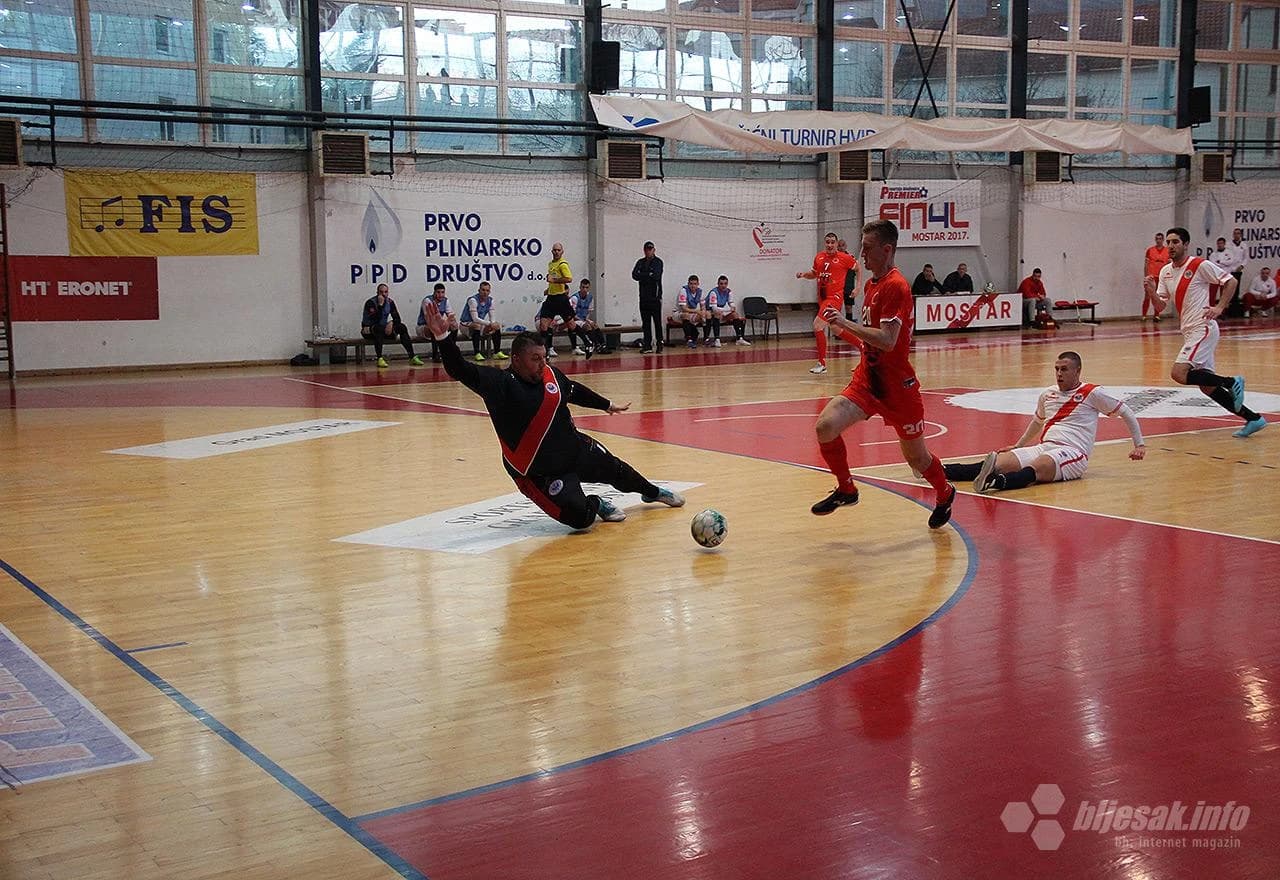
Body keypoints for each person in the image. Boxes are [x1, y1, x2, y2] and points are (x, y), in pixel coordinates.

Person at [420, 301, 687, 530]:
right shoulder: (498, 384)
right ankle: (595, 503)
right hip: (538, 472)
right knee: (579, 520)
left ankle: (652, 493)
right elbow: (458, 369)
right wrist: (443, 339)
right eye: (535, 358)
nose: (543, 363)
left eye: (544, 356)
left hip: (573, 449)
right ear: (516, 359)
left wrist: (606, 404)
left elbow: (574, 391)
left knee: (617, 470)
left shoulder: (551, 376)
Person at [811, 219, 957, 529]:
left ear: (886, 249)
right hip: (867, 380)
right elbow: (870, 337)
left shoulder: (897, 286)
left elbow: (888, 341)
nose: (861, 255)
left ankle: (944, 492)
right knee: (825, 426)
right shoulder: (871, 284)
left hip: (897, 389)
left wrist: (844, 323)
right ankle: (846, 489)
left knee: (918, 462)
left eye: (866, 249)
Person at [943, 351, 1146, 493]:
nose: (1059, 374)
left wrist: (1139, 445)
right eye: (1056, 369)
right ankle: (938, 470)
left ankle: (995, 483)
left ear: (1077, 371)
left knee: (1040, 466)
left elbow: (1126, 412)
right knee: (1000, 461)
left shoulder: (1092, 393)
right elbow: (1037, 422)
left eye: (1064, 369)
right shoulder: (1047, 394)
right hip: (1045, 446)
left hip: (1073, 453)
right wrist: (1018, 445)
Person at [1144, 227, 1267, 438]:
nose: (1171, 246)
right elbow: (1161, 306)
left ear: (1185, 244)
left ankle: (1231, 381)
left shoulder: (1199, 265)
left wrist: (1219, 307)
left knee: (1178, 374)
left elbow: (1231, 281)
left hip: (1203, 328)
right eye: (1168, 242)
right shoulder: (1166, 272)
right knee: (1207, 387)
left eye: (1175, 242)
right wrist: (1151, 292)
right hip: (1190, 331)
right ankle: (1254, 419)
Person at [796, 231, 858, 374]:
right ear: (825, 243)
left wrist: (858, 287)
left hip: (834, 298)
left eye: (833, 242)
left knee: (817, 325)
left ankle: (822, 363)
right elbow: (814, 274)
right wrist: (804, 275)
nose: (830, 245)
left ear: (837, 244)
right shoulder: (819, 257)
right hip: (822, 298)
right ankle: (863, 348)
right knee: (836, 329)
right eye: (828, 242)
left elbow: (858, 268)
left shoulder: (844, 258)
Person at [362, 283, 423, 369]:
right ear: (377, 292)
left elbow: (397, 318)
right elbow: (375, 320)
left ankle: (412, 356)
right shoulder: (370, 303)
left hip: (382, 328)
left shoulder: (390, 302)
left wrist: (391, 323)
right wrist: (380, 305)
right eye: (381, 292)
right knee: (378, 329)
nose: (384, 294)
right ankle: (379, 358)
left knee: (402, 327)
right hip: (368, 329)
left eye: (386, 292)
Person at [537, 241, 580, 358]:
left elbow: (568, 278)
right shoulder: (551, 264)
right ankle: (546, 350)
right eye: (554, 250)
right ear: (551, 251)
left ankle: (582, 344)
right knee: (544, 325)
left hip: (560, 298)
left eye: (558, 250)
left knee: (571, 324)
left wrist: (554, 281)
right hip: (552, 297)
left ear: (562, 252)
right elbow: (553, 279)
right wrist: (549, 289)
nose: (556, 252)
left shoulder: (563, 264)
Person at [460, 281, 506, 361]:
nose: (485, 292)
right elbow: (475, 318)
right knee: (477, 325)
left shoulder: (490, 301)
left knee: (496, 325)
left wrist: (493, 324)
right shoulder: (473, 300)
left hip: (478, 325)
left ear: (489, 292)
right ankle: (477, 353)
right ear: (479, 290)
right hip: (465, 325)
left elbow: (492, 317)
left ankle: (497, 352)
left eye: (487, 290)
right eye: (483, 290)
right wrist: (490, 324)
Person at [632, 241, 665, 353]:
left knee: (657, 322)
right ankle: (647, 344)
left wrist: (643, 274)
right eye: (646, 249)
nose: (648, 251)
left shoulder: (658, 262)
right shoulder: (640, 262)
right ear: (644, 250)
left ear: (654, 250)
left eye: (650, 249)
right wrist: (647, 274)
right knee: (645, 322)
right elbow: (634, 275)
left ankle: (660, 342)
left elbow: (656, 275)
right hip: (643, 297)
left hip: (655, 297)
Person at [418, 283, 459, 362]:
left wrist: (451, 322)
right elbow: (428, 318)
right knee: (433, 328)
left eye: (442, 292)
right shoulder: (427, 301)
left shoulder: (446, 300)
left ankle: (451, 351)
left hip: (438, 326)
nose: (441, 295)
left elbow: (450, 315)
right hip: (423, 327)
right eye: (438, 292)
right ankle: (435, 355)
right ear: (434, 292)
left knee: (454, 326)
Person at [568, 279, 609, 355]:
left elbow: (589, 311)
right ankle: (596, 345)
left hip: (583, 318)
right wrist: (583, 320)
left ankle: (603, 345)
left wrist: (587, 319)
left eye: (586, 287)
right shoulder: (575, 298)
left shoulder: (590, 297)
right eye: (583, 287)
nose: (584, 289)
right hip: (574, 320)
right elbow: (571, 314)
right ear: (580, 287)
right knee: (587, 326)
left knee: (594, 325)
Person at [707, 275, 750, 346]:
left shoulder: (728, 291)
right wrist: (729, 309)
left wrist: (732, 307)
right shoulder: (713, 292)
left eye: (725, 284)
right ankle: (717, 340)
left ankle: (739, 338)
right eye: (721, 284)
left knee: (735, 314)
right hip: (710, 314)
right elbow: (714, 308)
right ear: (718, 284)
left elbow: (731, 303)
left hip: (721, 312)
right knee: (717, 313)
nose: (723, 286)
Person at [675, 274, 709, 348]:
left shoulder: (700, 292)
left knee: (706, 315)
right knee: (685, 315)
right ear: (688, 284)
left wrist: (703, 313)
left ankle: (706, 339)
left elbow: (703, 306)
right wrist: (697, 311)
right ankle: (689, 340)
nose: (693, 286)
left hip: (691, 313)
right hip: (679, 313)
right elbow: (684, 308)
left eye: (695, 284)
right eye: (691, 284)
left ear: (698, 284)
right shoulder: (683, 291)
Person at [1142, 232, 1170, 321]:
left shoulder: (1167, 251)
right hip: (1151, 277)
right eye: (1157, 239)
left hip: (1161, 277)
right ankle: (1144, 315)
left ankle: (1157, 315)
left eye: (1160, 239)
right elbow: (1146, 264)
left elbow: (1169, 264)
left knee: (1158, 296)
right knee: (1147, 296)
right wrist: (1146, 276)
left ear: (1163, 240)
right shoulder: (1150, 250)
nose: (1158, 241)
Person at [838, 238, 861, 321]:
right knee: (837, 308)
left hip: (848, 287)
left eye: (842, 245)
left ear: (846, 246)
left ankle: (849, 328)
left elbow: (858, 270)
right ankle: (838, 330)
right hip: (837, 289)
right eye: (839, 246)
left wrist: (857, 287)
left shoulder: (851, 258)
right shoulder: (833, 259)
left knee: (848, 307)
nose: (841, 248)